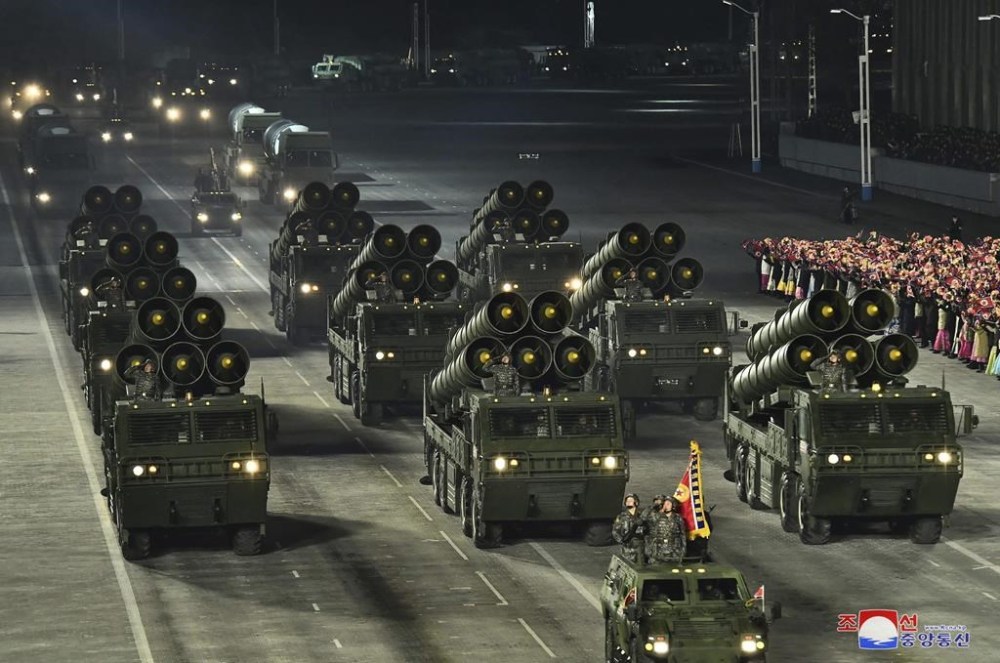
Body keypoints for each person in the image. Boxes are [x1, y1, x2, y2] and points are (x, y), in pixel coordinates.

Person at [645, 496, 687, 564]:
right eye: (664, 504)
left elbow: (683, 535)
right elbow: (644, 518)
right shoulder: (655, 516)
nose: (665, 506)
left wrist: (683, 550)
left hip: (674, 551)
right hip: (658, 550)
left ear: (673, 506)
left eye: (668, 504)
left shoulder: (678, 518)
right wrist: (654, 506)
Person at [612, 494, 644, 563]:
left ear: (636, 502)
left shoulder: (642, 516)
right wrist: (623, 541)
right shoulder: (621, 517)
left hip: (640, 549)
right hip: (627, 549)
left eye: (630, 500)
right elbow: (615, 531)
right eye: (627, 501)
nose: (628, 502)